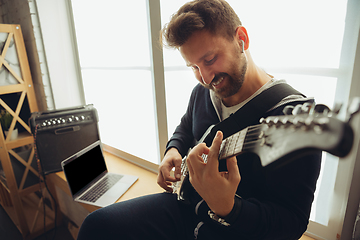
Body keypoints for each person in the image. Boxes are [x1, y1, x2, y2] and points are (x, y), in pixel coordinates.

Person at [77, 0, 321, 239]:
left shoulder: (297, 118)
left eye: (210, 59)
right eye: (193, 67)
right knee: (96, 227)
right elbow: (186, 126)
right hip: (186, 206)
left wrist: (229, 207)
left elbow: (292, 223)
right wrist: (173, 150)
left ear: (241, 39)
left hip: (238, 230)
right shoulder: (204, 92)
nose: (205, 78)